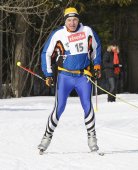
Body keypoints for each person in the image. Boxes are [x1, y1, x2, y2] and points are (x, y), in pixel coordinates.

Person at [38, 7, 102, 153]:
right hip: (65, 77)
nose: (72, 23)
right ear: (65, 21)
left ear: (78, 20)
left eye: (74, 20)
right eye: (69, 20)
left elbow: (97, 47)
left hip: (83, 76)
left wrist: (97, 65)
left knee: (87, 106)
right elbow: (46, 54)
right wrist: (48, 74)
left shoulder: (87, 31)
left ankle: (92, 138)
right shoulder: (58, 34)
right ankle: (46, 138)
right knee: (59, 108)